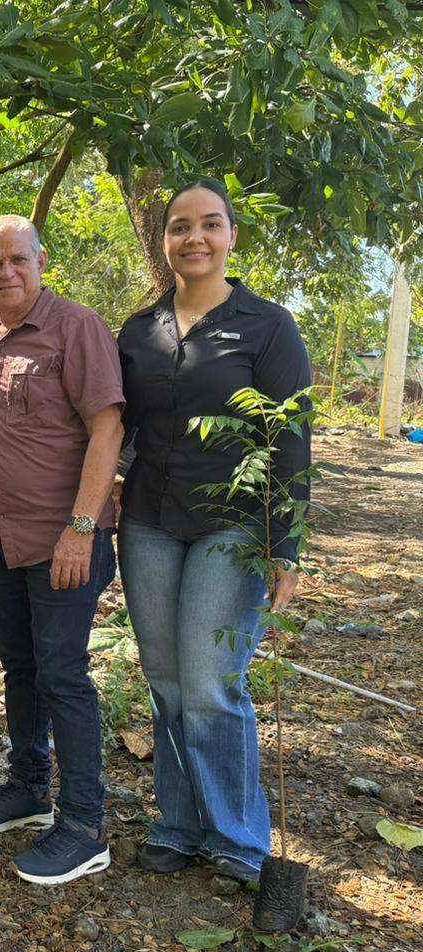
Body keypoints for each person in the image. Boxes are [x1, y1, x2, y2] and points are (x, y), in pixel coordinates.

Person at [116, 179, 311, 885]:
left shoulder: (267, 325)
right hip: (147, 522)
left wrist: (285, 545)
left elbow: (290, 438)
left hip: (234, 525)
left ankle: (237, 837)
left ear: (232, 236)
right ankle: (179, 822)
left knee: (210, 683)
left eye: (209, 225)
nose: (193, 238)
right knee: (165, 680)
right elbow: (118, 425)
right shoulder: (140, 331)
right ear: (163, 240)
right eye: (179, 227)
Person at [0, 215, 124, 885]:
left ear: (41, 260)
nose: (6, 272)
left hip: (62, 539)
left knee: (61, 673)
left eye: (17, 259)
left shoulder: (76, 327)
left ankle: (84, 824)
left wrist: (82, 528)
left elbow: (106, 429)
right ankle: (29, 787)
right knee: (19, 668)